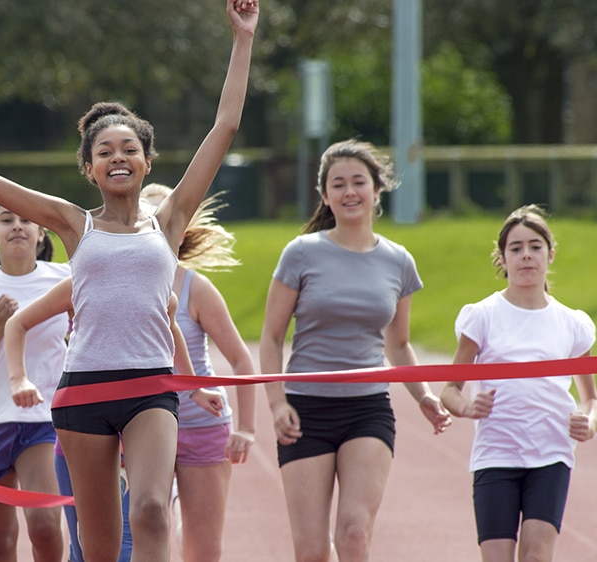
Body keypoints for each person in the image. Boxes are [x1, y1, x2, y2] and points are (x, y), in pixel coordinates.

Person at [0, 3, 256, 559]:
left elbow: (226, 126)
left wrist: (243, 38)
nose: (118, 158)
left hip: (149, 387)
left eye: (129, 150)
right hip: (83, 391)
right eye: (104, 152)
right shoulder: (74, 223)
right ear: (89, 168)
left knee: (149, 510)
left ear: (146, 163)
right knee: (94, 546)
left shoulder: (169, 221)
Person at [258, 139, 452, 562]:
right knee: (310, 550)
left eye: (359, 182)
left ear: (377, 190)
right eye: (338, 183)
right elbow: (271, 337)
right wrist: (276, 404)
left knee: (352, 533)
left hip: (368, 409)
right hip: (306, 410)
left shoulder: (399, 261)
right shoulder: (301, 253)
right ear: (324, 195)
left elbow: (397, 344)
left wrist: (425, 397)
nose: (349, 192)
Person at [5, 273, 220, 562]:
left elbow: (169, 327)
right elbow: (18, 322)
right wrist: (19, 379)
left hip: (140, 419)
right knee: (87, 547)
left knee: (143, 525)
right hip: (85, 424)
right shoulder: (80, 282)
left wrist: (194, 388)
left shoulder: (153, 282)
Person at [439, 204, 596, 562]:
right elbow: (450, 390)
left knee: (537, 556)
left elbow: (591, 399)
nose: (526, 255)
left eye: (535, 246)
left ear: (550, 254)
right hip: (497, 454)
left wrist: (588, 423)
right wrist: (467, 408)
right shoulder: (482, 317)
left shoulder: (572, 324)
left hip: (551, 454)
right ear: (503, 258)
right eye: (516, 248)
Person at [140, 183, 256, 561]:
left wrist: (246, 428)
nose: (157, 225)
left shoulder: (196, 289)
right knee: (139, 537)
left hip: (200, 426)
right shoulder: (119, 282)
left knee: (202, 550)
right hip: (137, 428)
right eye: (148, 217)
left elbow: (241, 360)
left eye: (167, 217)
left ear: (182, 228)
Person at [0, 202, 70, 561]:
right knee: (0, 539)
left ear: (42, 234)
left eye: (26, 220)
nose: (17, 226)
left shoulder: (65, 279)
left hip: (43, 422)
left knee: (46, 526)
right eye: (6, 220)